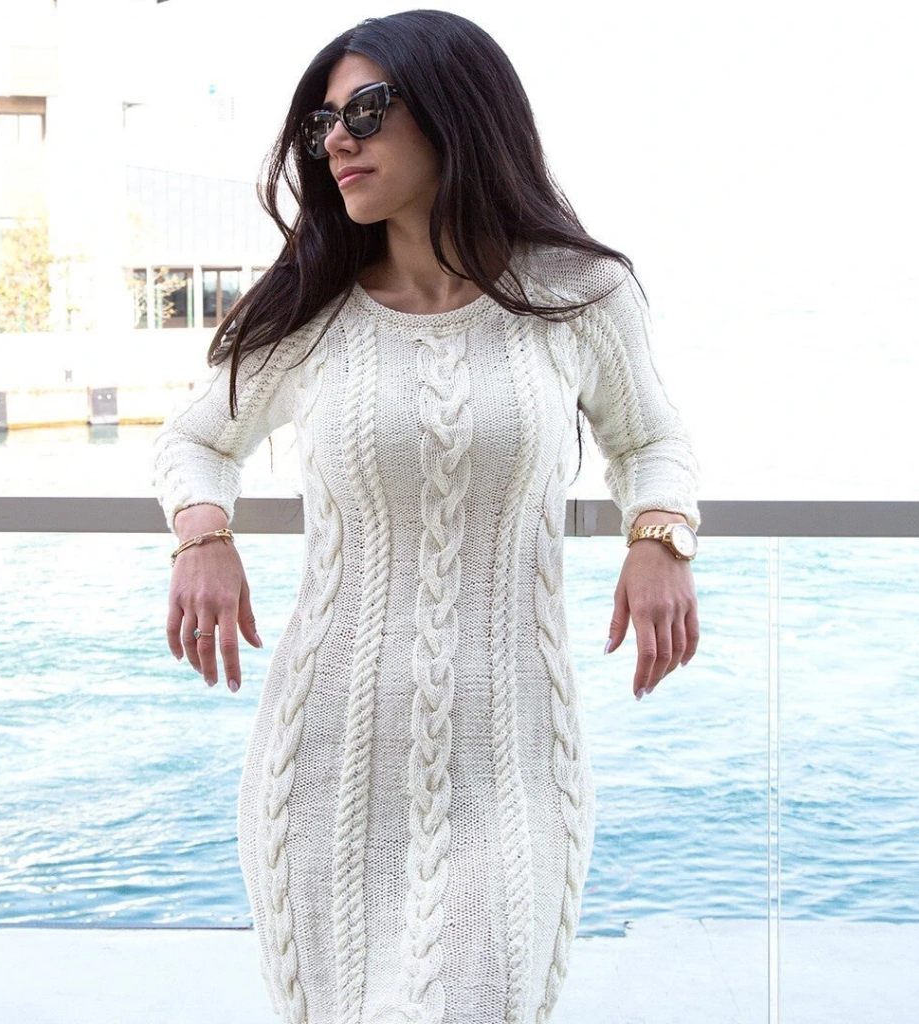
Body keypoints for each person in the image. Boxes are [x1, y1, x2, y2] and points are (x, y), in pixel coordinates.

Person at [153, 9, 699, 1023]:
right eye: (322, 123)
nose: (338, 141)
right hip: (325, 758)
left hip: (511, 757)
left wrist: (658, 536)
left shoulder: (577, 290)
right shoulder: (311, 308)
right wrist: (204, 536)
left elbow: (650, 437)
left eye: (366, 110)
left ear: (459, 111)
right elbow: (194, 439)